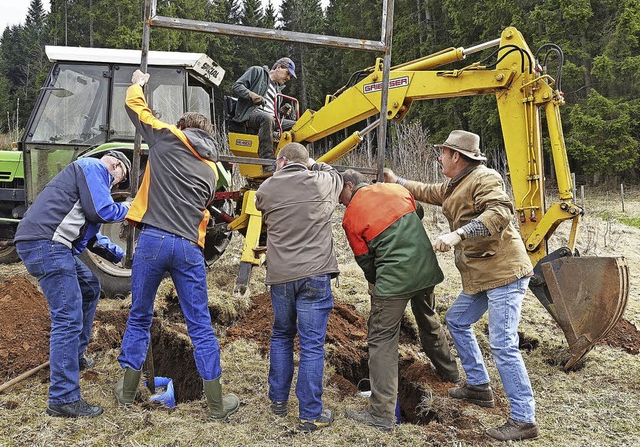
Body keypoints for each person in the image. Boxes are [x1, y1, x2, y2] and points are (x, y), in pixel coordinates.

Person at [384, 129, 538, 442]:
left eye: (443, 152)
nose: (439, 157)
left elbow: (501, 211)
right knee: (456, 320)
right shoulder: (456, 184)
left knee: (503, 343)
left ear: (456, 156)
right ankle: (479, 386)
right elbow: (428, 190)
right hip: (482, 276)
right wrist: (396, 181)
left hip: (504, 273)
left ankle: (524, 419)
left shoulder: (485, 177)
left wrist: (458, 234)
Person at [114, 70, 239, 422]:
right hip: (188, 248)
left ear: (184, 126)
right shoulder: (213, 171)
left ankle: (125, 392)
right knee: (199, 323)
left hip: (152, 240)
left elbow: (135, 108)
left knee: (139, 316)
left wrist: (138, 82)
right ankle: (216, 404)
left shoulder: (169, 138)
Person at [338, 169, 458, 431]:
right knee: (428, 320)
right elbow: (419, 215)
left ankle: (381, 415)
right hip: (426, 270)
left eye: (340, 194)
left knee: (381, 340)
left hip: (394, 281)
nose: (340, 200)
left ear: (349, 186)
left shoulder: (351, 216)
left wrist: (376, 282)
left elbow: (365, 261)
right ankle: (450, 374)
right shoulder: (397, 190)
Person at [14, 150, 131, 418]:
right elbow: (102, 210)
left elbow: (91, 238)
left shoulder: (87, 182)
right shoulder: (91, 167)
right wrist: (131, 208)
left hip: (51, 245)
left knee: (90, 287)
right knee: (67, 316)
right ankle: (63, 398)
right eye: (118, 180)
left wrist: (125, 258)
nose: (114, 187)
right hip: (46, 244)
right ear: (114, 165)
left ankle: (73, 356)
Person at [254, 142, 342, 433]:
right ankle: (310, 415)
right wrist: (314, 164)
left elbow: (260, 205)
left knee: (281, 335)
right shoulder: (322, 182)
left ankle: (278, 402)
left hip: (280, 276)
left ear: (280, 161)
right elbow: (337, 176)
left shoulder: (267, 188)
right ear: (305, 163)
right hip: (316, 273)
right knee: (312, 345)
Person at [231, 57, 297, 160]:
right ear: (278, 67)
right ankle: (267, 160)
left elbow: (272, 111)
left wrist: (281, 111)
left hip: (269, 119)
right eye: (287, 73)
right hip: (251, 114)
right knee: (267, 118)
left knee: (298, 126)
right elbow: (236, 86)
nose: (288, 78)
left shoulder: (278, 91)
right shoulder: (257, 72)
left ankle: (293, 160)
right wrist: (251, 95)